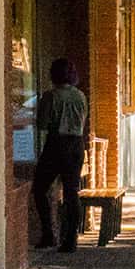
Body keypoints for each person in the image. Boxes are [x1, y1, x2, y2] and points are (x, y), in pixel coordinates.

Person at [34, 57, 89, 253]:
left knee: (39, 188)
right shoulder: (81, 96)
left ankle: (49, 233)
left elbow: (42, 123)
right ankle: (71, 238)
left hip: (56, 143)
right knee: (71, 192)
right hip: (76, 144)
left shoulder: (51, 96)